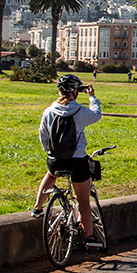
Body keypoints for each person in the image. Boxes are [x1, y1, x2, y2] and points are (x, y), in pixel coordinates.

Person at [30, 74, 104, 248]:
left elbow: (43, 134)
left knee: (50, 175)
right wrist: (92, 97)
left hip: (56, 160)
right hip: (77, 161)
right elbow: (96, 115)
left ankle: (38, 208)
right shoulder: (80, 112)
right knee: (84, 201)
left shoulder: (49, 111)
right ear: (76, 92)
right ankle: (89, 237)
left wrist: (49, 152)